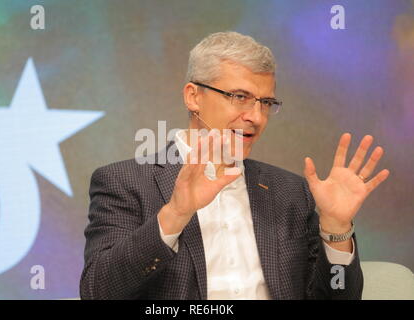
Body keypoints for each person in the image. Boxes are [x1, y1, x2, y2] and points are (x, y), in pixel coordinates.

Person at [80, 31, 390, 299]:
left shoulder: (291, 192)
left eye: (265, 102)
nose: (256, 117)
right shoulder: (124, 181)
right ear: (193, 97)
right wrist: (174, 215)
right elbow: (99, 292)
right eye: (239, 97)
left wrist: (335, 229)